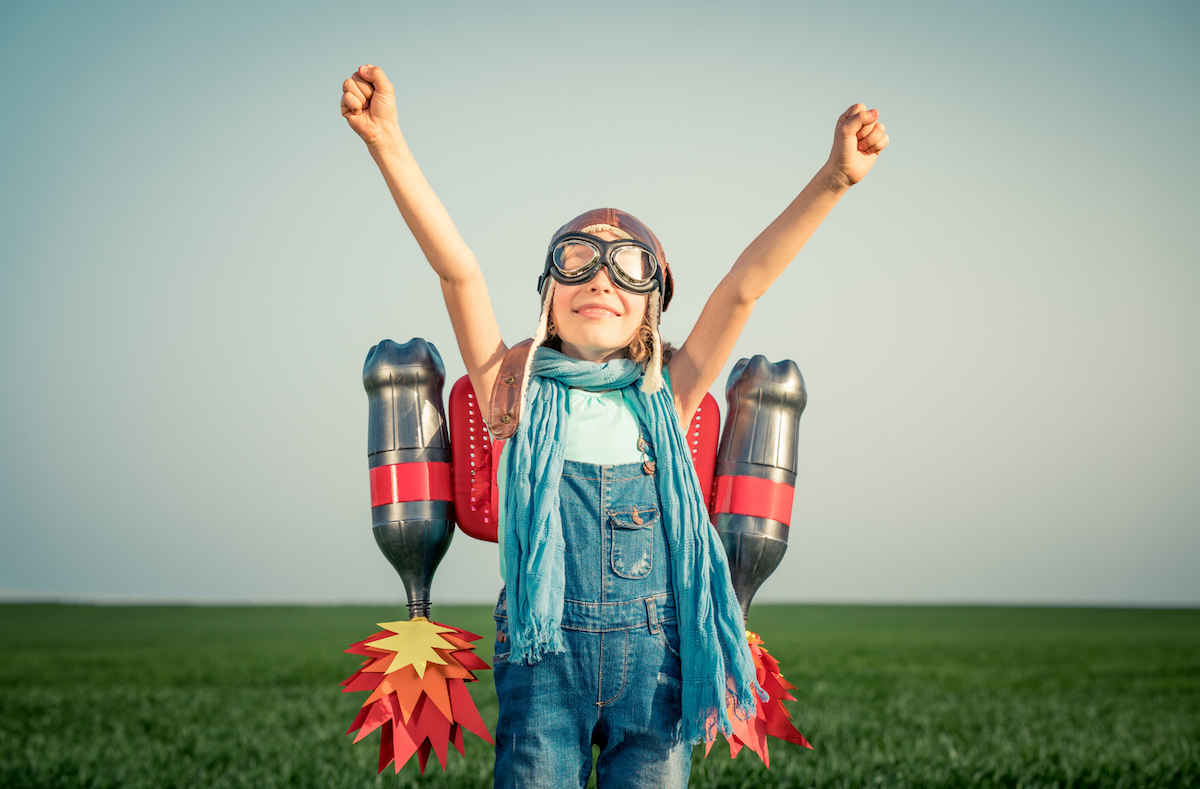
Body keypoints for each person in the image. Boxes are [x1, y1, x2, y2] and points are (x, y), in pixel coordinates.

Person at [340, 63, 888, 789]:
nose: (600, 277)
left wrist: (835, 179)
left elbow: (745, 284)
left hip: (656, 673)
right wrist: (387, 142)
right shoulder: (512, 391)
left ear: (652, 305)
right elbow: (458, 272)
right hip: (543, 669)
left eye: (627, 265)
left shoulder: (670, 392)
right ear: (547, 297)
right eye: (576, 259)